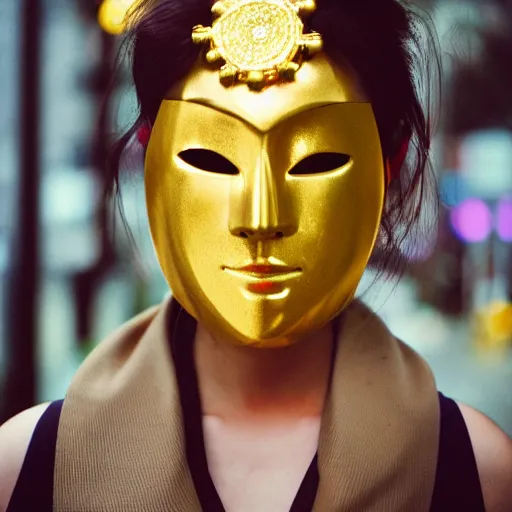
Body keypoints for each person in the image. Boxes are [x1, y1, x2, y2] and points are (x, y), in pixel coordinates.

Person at [1, 0, 512, 510]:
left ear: (389, 166)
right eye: (210, 159)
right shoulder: (25, 467)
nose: (261, 220)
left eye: (317, 161)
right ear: (149, 154)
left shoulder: (480, 475)